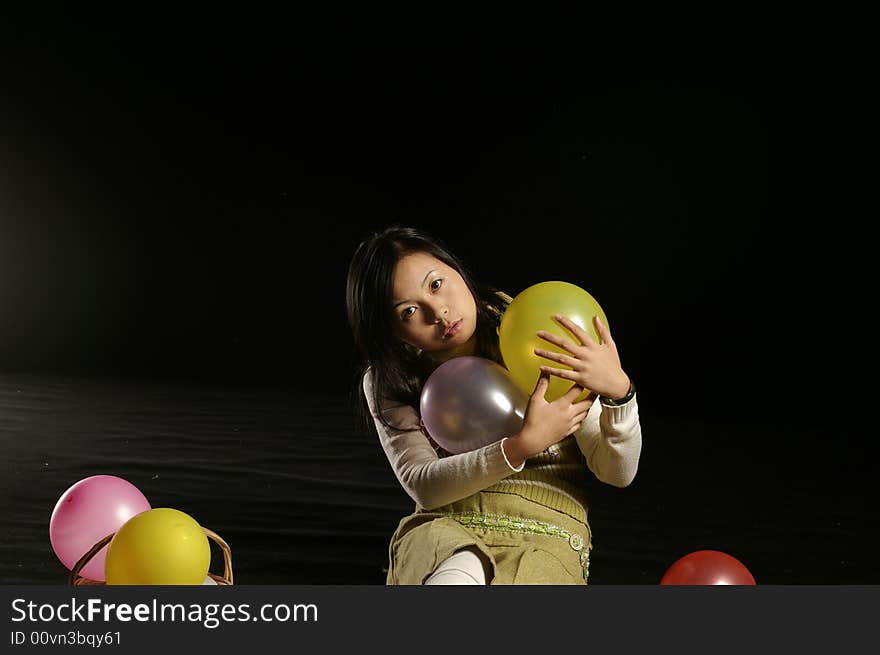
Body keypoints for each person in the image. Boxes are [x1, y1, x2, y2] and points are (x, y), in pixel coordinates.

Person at [345, 225, 642, 585]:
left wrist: (620, 394)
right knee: (457, 572)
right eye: (409, 311)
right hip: (449, 527)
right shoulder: (389, 377)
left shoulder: (531, 329)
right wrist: (520, 446)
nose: (438, 312)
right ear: (392, 331)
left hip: (546, 533)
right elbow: (421, 482)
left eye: (436, 284)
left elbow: (617, 472)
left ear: (453, 267)